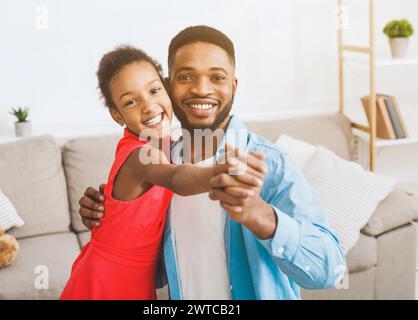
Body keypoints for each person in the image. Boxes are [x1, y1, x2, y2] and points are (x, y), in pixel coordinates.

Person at [78, 26, 347, 300]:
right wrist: (108, 212)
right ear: (169, 86)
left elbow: (329, 270)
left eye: (217, 77)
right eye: (186, 76)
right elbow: (153, 264)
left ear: (233, 86)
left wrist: (262, 217)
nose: (201, 89)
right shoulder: (162, 162)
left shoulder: (271, 164)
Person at [60, 45, 264, 300]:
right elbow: (175, 178)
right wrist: (219, 173)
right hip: (111, 278)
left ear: (166, 89)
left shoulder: (164, 144)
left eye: (154, 91)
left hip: (129, 274)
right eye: (131, 101)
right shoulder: (144, 155)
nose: (148, 106)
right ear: (117, 115)